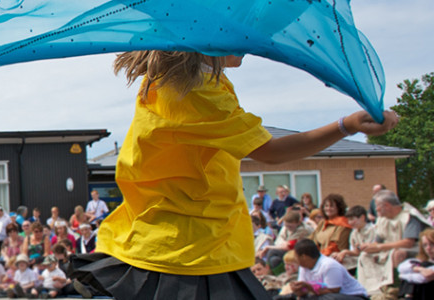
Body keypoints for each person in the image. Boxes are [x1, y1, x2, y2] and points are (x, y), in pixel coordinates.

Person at [68, 50, 398, 300]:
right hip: (187, 251)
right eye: (240, 31)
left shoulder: (189, 80)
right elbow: (270, 152)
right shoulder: (195, 91)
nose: (250, 43)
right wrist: (347, 125)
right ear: (211, 35)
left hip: (182, 241)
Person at [358, 189, 431, 295]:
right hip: (390, 248)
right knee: (365, 255)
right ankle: (374, 289)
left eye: (378, 205)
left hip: (419, 250)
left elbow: (408, 242)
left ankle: (398, 289)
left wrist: (379, 247)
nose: (376, 209)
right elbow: (378, 241)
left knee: (398, 253)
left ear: (386, 205)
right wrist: (368, 246)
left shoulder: (409, 216)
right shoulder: (383, 219)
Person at [287, 239, 367, 299]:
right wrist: (298, 289)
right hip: (325, 295)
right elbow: (305, 291)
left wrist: (309, 287)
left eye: (296, 256)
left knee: (328, 298)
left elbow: (334, 291)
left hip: (353, 296)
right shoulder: (304, 267)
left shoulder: (329, 265)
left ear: (303, 257)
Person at [332, 205, 375, 273]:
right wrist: (343, 253)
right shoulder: (354, 233)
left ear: (362, 218)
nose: (350, 223)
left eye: (352, 219)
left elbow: (375, 248)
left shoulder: (373, 230)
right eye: (348, 220)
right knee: (333, 258)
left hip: (372, 257)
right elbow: (355, 252)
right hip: (359, 258)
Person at [398, 229, 434, 299]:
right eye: (425, 245)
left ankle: (409, 296)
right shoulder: (420, 262)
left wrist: (403, 275)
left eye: (432, 244)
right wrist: (417, 268)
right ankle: (408, 296)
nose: (428, 248)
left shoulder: (426, 264)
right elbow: (401, 267)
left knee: (423, 266)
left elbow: (423, 278)